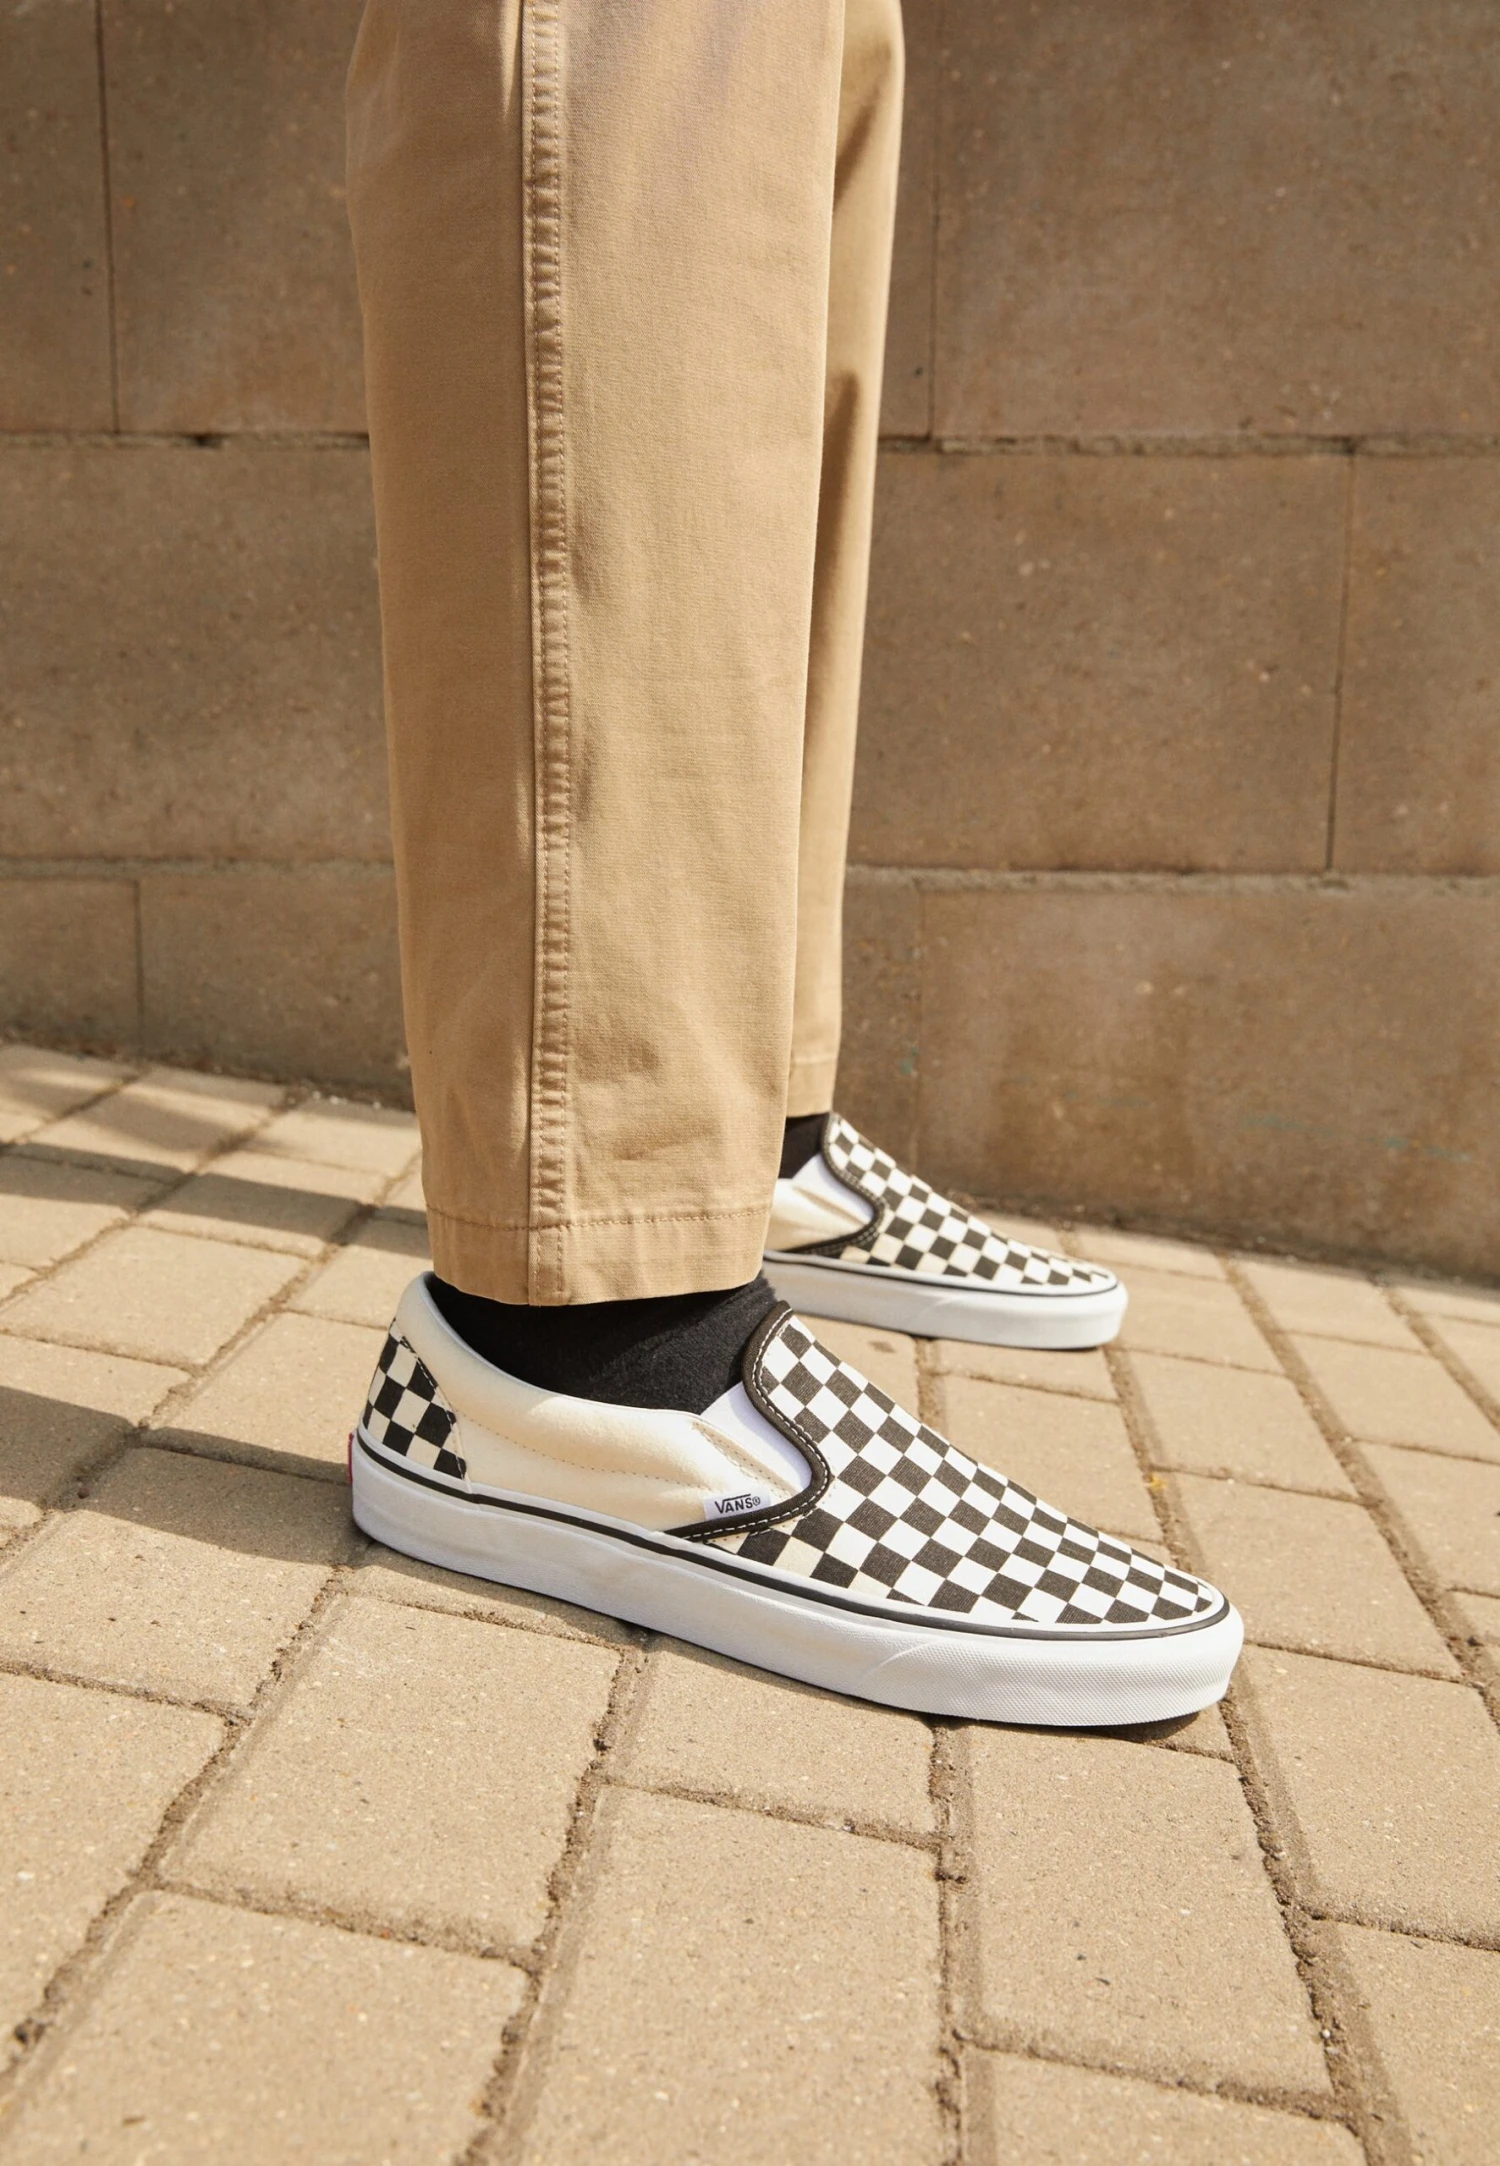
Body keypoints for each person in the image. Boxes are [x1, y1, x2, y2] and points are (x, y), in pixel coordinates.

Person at [342, 0, 1241, 1725]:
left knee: (790, 136)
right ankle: (579, 1344)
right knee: (625, 78)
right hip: (569, 1366)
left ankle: (745, 1136)